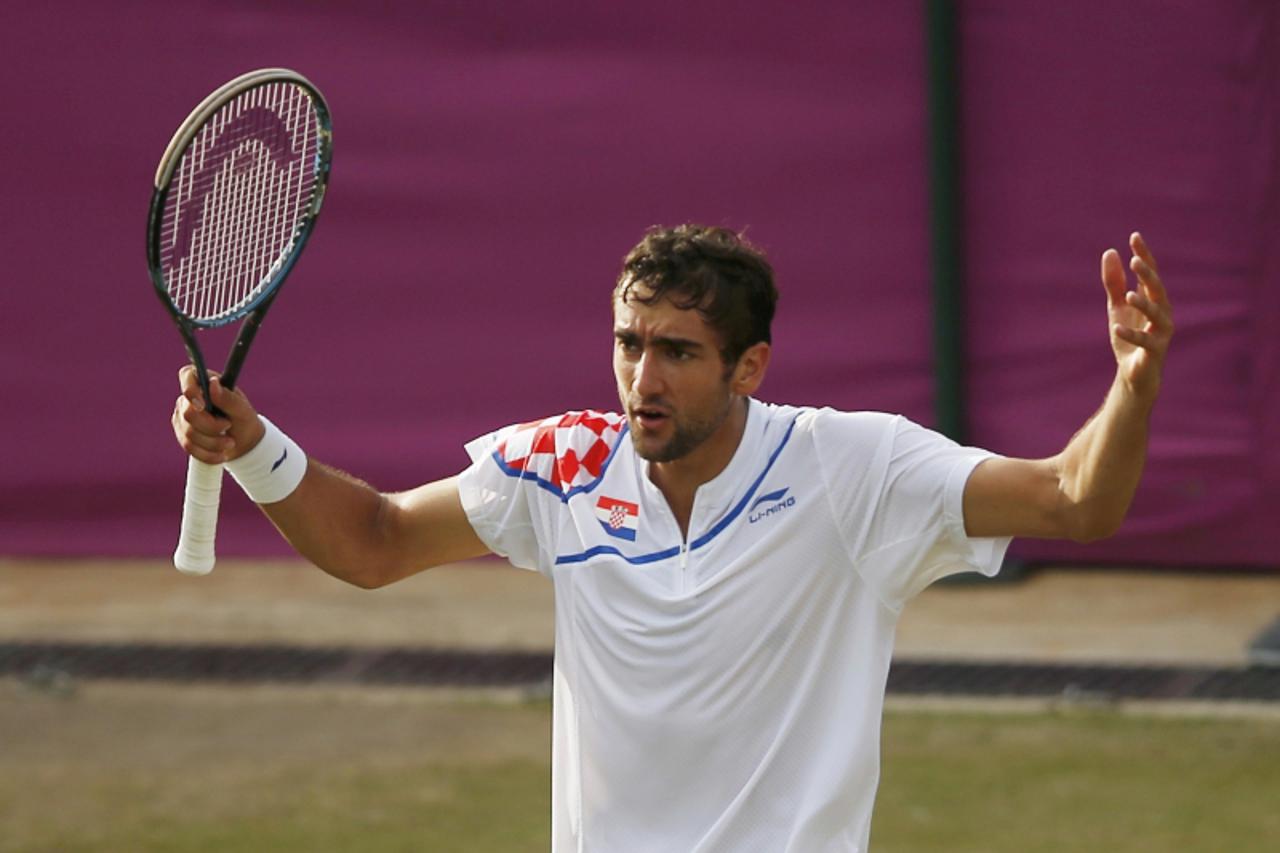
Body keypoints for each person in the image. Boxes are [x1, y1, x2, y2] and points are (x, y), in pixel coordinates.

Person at [172, 224, 1173, 851]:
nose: (642, 379)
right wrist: (256, 445)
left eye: (678, 353)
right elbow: (376, 541)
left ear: (749, 367)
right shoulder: (561, 464)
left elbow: (1071, 501)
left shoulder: (851, 467)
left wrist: (1129, 387)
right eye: (628, 343)